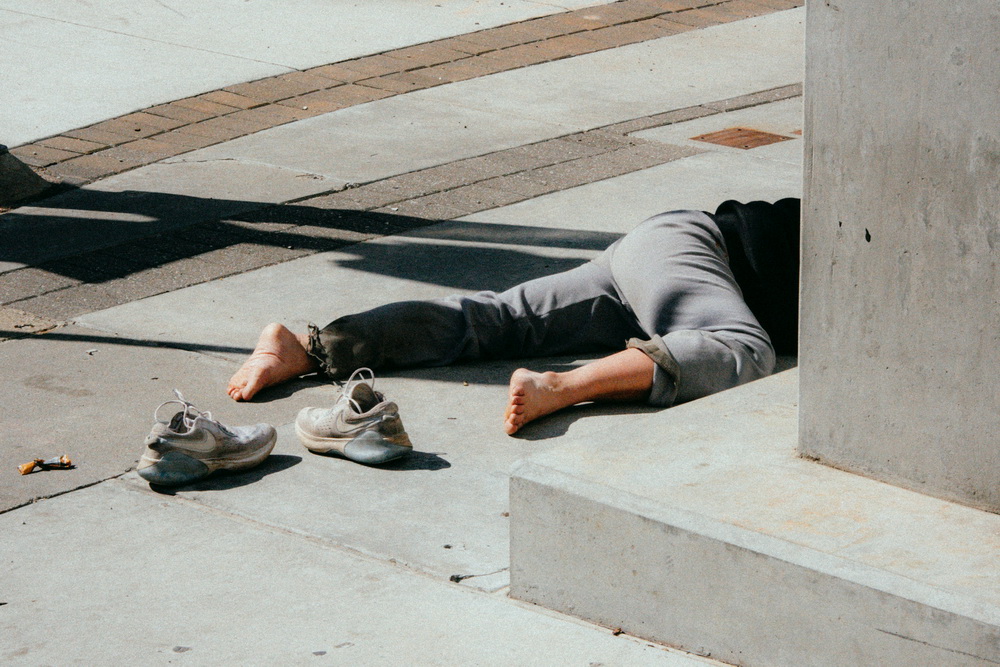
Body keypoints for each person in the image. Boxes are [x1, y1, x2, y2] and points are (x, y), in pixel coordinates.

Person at [227, 199, 800, 435]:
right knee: (741, 351)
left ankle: (309, 348)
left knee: (501, 318)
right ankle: (565, 385)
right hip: (698, 256)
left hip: (661, 247)